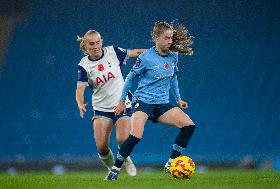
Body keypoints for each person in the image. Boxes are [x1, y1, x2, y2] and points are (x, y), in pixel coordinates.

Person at [105, 21, 195, 180]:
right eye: (166, 38)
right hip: (143, 102)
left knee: (188, 126)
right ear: (156, 38)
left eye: (171, 38)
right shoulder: (146, 58)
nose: (169, 41)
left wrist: (178, 99)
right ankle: (115, 169)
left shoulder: (174, 55)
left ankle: (171, 163)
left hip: (162, 104)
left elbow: (173, 77)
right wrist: (121, 101)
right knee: (136, 135)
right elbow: (130, 78)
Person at [75, 30, 145, 177]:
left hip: (122, 102)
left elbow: (136, 52)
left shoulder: (113, 52)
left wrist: (156, 52)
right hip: (101, 108)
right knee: (101, 147)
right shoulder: (84, 65)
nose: (95, 46)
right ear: (85, 46)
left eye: (98, 42)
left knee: (122, 139)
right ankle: (110, 168)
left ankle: (126, 159)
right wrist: (80, 103)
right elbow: (80, 89)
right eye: (91, 43)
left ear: (102, 42)